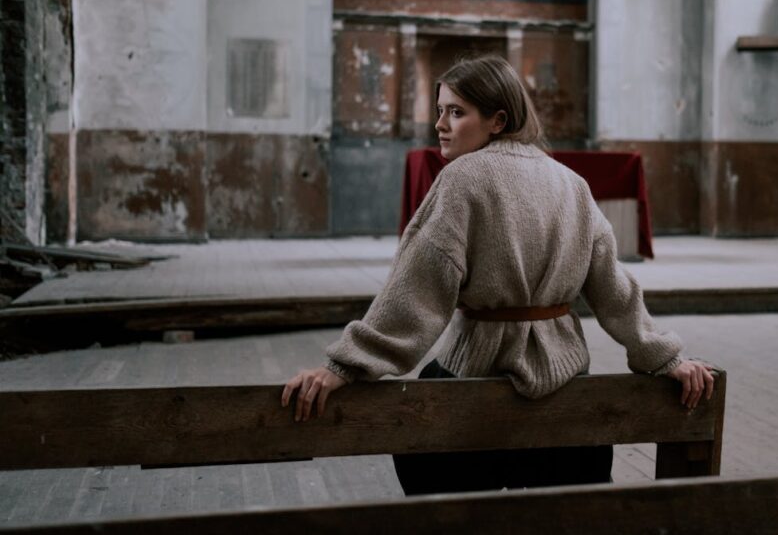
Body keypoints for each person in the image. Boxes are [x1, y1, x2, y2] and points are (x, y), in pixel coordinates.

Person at [282, 54, 714, 495]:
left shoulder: (462, 179)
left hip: (472, 382)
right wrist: (665, 358)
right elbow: (615, 289)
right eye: (440, 111)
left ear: (497, 119)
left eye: (457, 111)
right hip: (568, 387)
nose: (440, 125)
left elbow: (416, 290)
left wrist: (346, 365)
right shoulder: (572, 183)